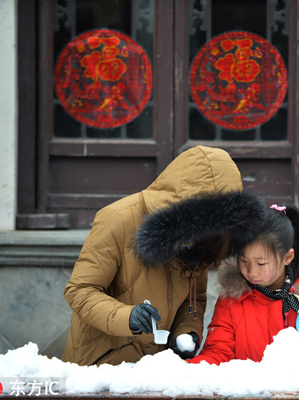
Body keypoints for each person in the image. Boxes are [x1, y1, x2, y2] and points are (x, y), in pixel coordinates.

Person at [62, 145, 266, 366]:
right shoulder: (116, 219)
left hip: (155, 370)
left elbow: (194, 299)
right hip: (101, 367)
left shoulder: (205, 237)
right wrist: (127, 317)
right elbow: (79, 291)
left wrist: (187, 334)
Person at [188, 203, 299, 367]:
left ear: (288, 257)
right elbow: (217, 353)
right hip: (250, 390)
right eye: (244, 261)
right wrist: (186, 371)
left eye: (261, 264)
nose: (251, 272)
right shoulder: (232, 301)